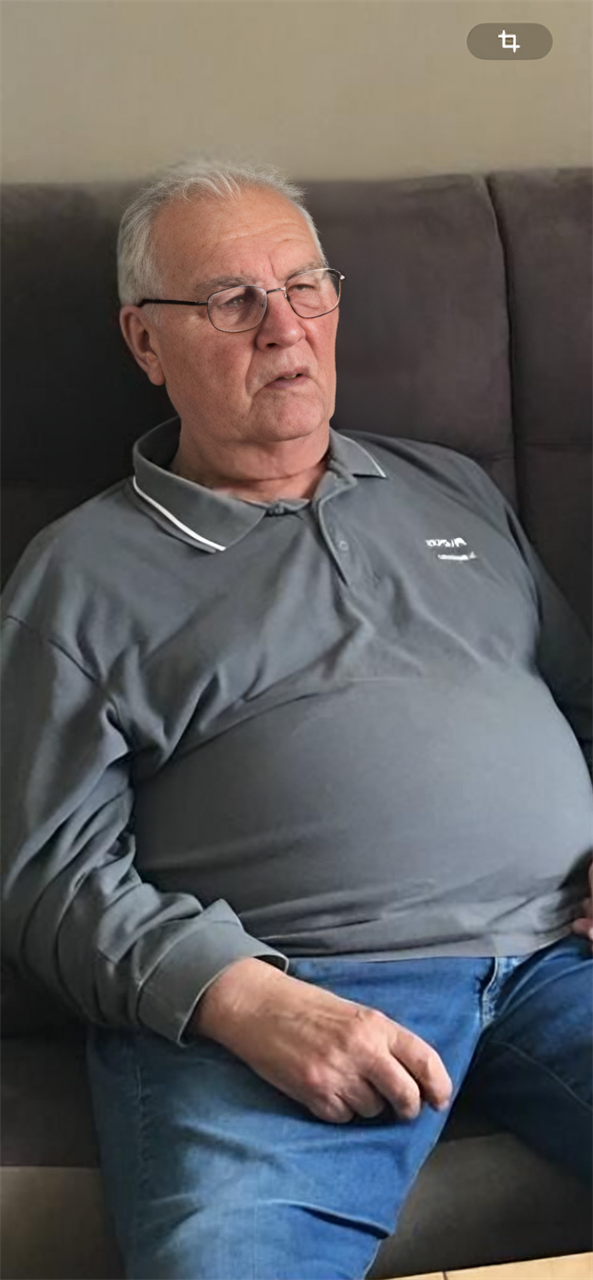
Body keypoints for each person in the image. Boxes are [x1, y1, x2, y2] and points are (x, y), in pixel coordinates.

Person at [0, 159, 592, 1280]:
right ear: (145, 341)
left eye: (303, 286)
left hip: (558, 953)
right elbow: (46, 876)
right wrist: (243, 998)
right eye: (231, 299)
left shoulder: (451, 490)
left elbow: (580, 701)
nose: (283, 328)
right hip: (288, 981)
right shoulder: (79, 574)